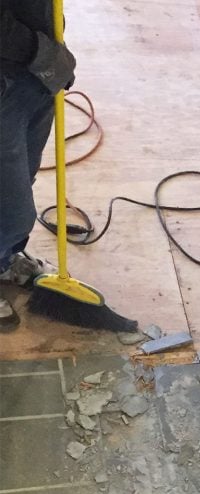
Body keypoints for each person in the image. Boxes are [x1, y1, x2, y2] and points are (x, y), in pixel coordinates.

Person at [0, 0, 76, 331]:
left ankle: (3, 261)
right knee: (14, 211)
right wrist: (41, 52)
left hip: (33, 77)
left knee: (23, 178)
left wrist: (51, 47)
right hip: (10, 74)